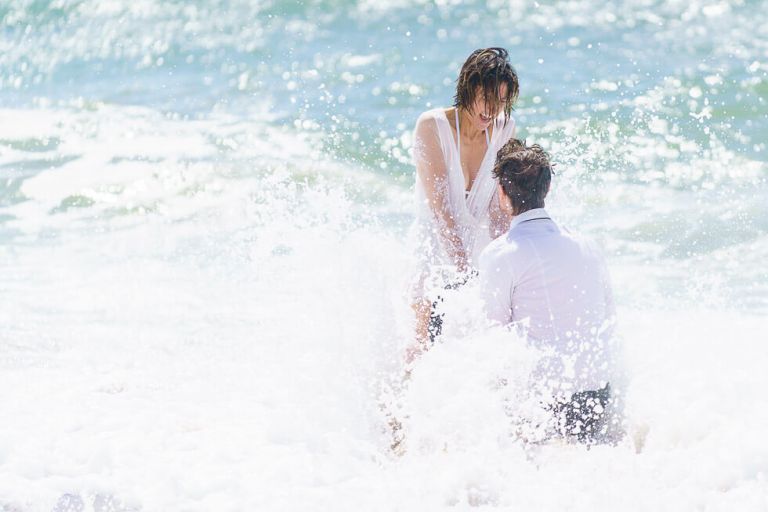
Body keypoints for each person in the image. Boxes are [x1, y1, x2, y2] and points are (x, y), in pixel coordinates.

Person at [478, 139, 620, 445]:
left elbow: (491, 334)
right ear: (548, 188)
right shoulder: (588, 246)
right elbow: (609, 318)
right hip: (596, 392)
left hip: (543, 402)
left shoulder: (500, 255)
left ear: (502, 194)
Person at [408, 48, 520, 362]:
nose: (491, 109)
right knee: (423, 343)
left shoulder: (504, 129)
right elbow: (441, 209)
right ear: (468, 87)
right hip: (433, 249)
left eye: (500, 101)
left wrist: (505, 262)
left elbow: (498, 212)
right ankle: (400, 410)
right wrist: (463, 271)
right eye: (486, 97)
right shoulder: (431, 126)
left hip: (477, 252)